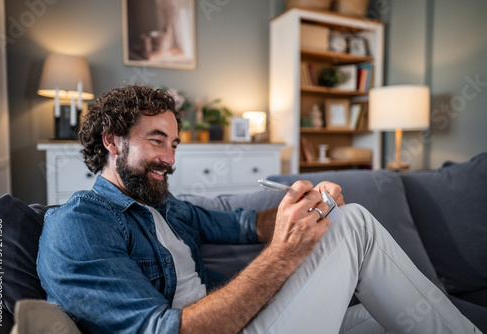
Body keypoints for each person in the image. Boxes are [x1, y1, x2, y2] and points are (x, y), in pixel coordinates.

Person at [37, 85, 479, 334]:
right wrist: (285, 253)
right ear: (111, 140)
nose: (170, 160)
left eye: (173, 145)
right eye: (156, 140)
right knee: (356, 225)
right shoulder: (77, 225)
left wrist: (304, 206)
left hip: (245, 323)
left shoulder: (167, 208)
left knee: (391, 320)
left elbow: (249, 224)